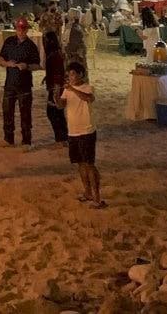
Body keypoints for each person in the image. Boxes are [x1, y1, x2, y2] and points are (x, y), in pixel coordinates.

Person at [56, 61, 103, 207]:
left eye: (73, 74)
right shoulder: (67, 90)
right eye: (69, 75)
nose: (71, 77)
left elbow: (88, 98)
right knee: (80, 163)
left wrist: (72, 89)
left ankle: (97, 197)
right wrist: (56, 93)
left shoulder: (88, 87)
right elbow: (61, 105)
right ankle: (87, 192)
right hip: (73, 131)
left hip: (86, 131)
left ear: (81, 74)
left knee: (89, 164)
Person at [0, 16, 41, 147]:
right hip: (10, 83)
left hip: (24, 84)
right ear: (16, 29)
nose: (21, 31)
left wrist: (26, 66)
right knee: (7, 112)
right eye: (19, 29)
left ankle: (26, 140)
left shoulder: (31, 46)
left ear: (26, 30)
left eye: (23, 29)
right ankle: (8, 139)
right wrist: (7, 63)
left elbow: (37, 65)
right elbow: (0, 59)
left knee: (25, 113)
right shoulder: (9, 42)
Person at [42, 31, 68, 143]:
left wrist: (56, 90)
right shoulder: (55, 54)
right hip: (55, 85)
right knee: (57, 113)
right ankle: (62, 137)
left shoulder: (54, 55)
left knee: (53, 112)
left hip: (56, 87)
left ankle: (62, 137)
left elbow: (57, 74)